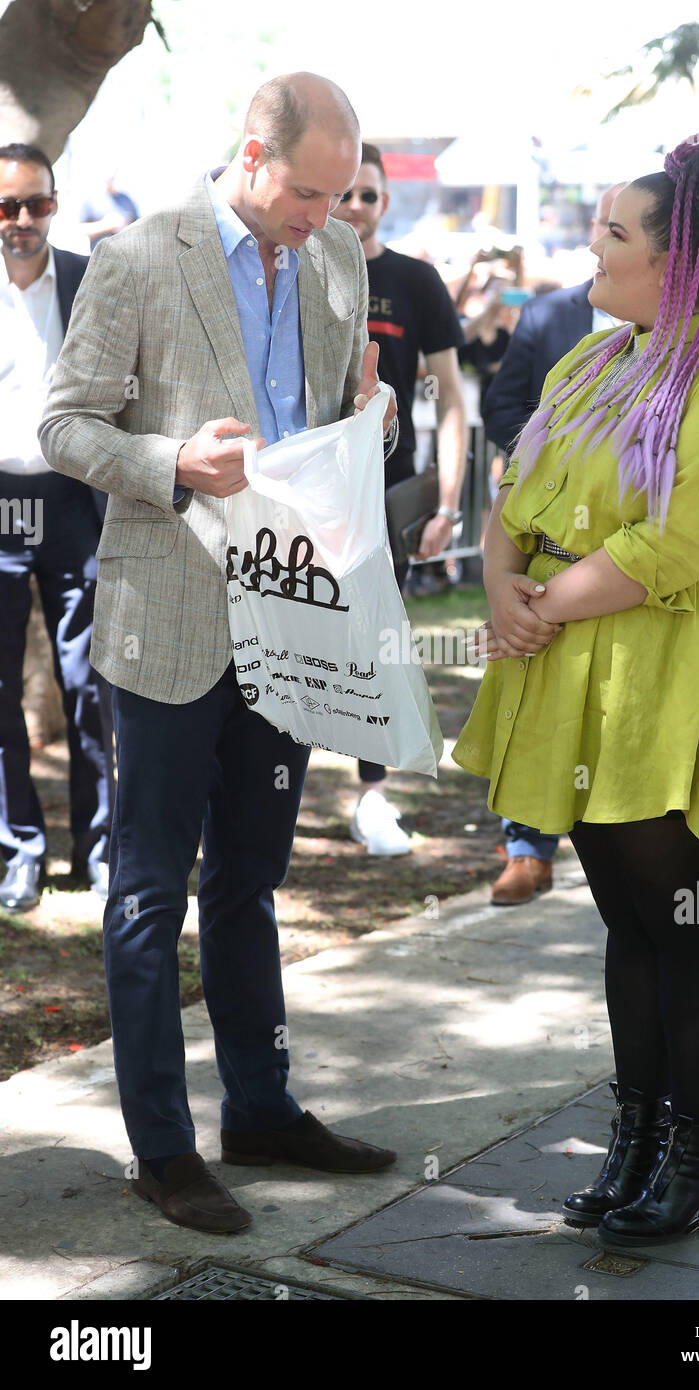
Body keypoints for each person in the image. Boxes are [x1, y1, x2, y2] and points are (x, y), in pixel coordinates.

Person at [40, 74, 399, 1235]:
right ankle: (162, 1148)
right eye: (305, 191)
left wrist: (369, 424)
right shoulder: (140, 256)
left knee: (249, 882)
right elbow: (64, 424)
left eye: (338, 195)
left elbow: (333, 400)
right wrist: (171, 463)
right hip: (168, 624)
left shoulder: (339, 257)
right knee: (147, 894)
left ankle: (261, 1106)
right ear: (250, 155)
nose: (322, 214)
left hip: (290, 621)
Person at [453, 131, 699, 1247]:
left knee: (689, 923)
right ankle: (636, 1138)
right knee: (626, 918)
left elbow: (670, 546)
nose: (590, 250)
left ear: (678, 258)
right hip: (579, 662)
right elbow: (515, 492)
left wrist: (535, 606)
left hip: (681, 664)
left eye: (612, 233)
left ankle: (697, 1158)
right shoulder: (594, 360)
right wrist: (505, 577)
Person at [480, 184, 626, 907]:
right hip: (542, 537)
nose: (601, 244)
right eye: (602, 227)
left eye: (620, 232)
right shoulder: (548, 318)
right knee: (531, 687)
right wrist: (541, 465)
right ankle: (525, 848)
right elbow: (504, 404)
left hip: (617, 568)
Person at [332, 141, 466, 855]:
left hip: (387, 489)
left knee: (377, 641)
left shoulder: (416, 281)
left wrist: (446, 503)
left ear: (387, 202)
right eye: (343, 193)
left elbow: (450, 399)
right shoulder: (296, 261)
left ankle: (372, 794)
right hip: (303, 487)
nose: (354, 207)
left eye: (369, 196)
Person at [0, 142, 114, 913]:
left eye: (35, 203)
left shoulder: (88, 279)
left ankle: (102, 851)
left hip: (75, 503)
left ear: (56, 202)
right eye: (7, 206)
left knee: (92, 685)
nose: (21, 220)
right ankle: (20, 851)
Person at [78, 172, 140, 246]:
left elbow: (138, 225)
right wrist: (107, 225)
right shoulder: (90, 200)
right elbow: (80, 230)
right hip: (100, 254)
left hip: (126, 252)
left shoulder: (126, 199)